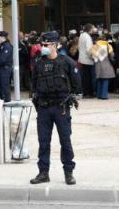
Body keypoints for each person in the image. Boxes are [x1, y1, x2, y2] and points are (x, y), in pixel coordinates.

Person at [30, 31, 81, 186]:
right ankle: (43, 172)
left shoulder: (67, 62)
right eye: (42, 44)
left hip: (61, 107)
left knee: (65, 141)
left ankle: (68, 172)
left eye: (46, 45)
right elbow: (34, 85)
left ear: (55, 45)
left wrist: (70, 98)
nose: (43, 47)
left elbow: (77, 86)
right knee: (43, 142)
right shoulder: (39, 63)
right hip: (44, 108)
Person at [92, 35, 114, 100]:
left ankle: (99, 95)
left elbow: (92, 55)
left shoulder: (94, 46)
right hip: (106, 64)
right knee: (105, 80)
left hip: (98, 64)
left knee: (99, 80)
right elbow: (112, 55)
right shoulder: (108, 45)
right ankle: (104, 95)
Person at [0, 31, 13, 103]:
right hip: (1, 68)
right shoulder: (2, 45)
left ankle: (7, 100)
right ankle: (1, 99)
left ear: (2, 37)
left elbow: (3, 59)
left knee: (4, 85)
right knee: (0, 85)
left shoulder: (7, 46)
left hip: (5, 68)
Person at [77, 24, 95, 97]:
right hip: (87, 59)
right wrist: (93, 57)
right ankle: (88, 93)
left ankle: (85, 92)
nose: (93, 30)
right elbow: (88, 49)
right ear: (90, 29)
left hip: (82, 58)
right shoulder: (87, 37)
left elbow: (79, 47)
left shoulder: (81, 35)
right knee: (88, 77)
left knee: (84, 77)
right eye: (92, 29)